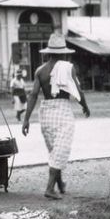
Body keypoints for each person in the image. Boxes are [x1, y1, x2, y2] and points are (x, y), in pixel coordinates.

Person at [22, 34, 90, 200]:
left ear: (48, 53)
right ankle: (50, 188)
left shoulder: (40, 70)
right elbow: (78, 90)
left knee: (55, 150)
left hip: (45, 111)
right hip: (62, 110)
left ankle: (59, 184)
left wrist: (26, 119)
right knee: (60, 149)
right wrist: (84, 106)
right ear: (65, 54)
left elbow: (33, 95)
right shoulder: (68, 68)